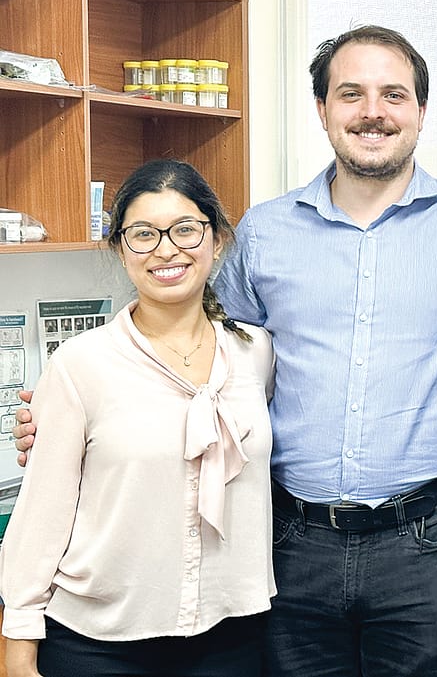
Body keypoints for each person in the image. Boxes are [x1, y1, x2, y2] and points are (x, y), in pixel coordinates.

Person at [12, 26, 437, 677]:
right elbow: (198, 343)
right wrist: (75, 409)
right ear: (323, 109)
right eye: (351, 93)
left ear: (420, 111)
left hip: (427, 542)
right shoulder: (266, 232)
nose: (373, 111)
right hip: (294, 543)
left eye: (393, 95)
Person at [0, 160, 275, 677]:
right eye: (143, 234)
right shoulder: (81, 365)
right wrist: (19, 645)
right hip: (100, 640)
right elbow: (42, 514)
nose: (166, 249)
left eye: (185, 229)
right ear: (121, 249)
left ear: (215, 241)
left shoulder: (254, 353)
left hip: (229, 633)